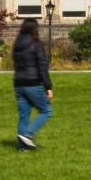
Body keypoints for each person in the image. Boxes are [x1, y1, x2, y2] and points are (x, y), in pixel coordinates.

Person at [10, 17, 54, 150]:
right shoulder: (36, 44)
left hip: (18, 82)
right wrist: (48, 86)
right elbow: (42, 65)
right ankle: (28, 135)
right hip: (32, 82)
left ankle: (22, 148)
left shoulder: (16, 44)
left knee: (24, 117)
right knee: (46, 111)